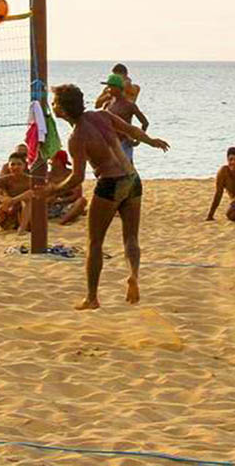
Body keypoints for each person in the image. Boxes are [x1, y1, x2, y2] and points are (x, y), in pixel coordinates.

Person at [34, 83, 169, 310]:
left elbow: (77, 177)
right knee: (131, 237)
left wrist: (52, 190)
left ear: (64, 111)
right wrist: (151, 141)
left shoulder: (76, 137)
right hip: (132, 178)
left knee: (95, 242)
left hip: (110, 183)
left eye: (55, 103)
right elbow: (132, 131)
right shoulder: (102, 115)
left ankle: (92, 297)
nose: (53, 106)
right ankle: (133, 274)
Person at [96, 74, 150, 164]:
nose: (107, 89)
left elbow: (145, 123)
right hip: (110, 142)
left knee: (127, 170)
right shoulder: (107, 104)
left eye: (110, 86)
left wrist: (138, 139)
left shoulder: (129, 105)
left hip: (124, 142)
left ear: (118, 88)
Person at [46, 149, 87, 226]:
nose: (50, 162)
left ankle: (63, 221)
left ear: (59, 161)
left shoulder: (71, 175)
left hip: (66, 204)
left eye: (52, 159)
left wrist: (59, 200)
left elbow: (77, 195)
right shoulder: (47, 175)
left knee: (82, 201)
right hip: (50, 206)